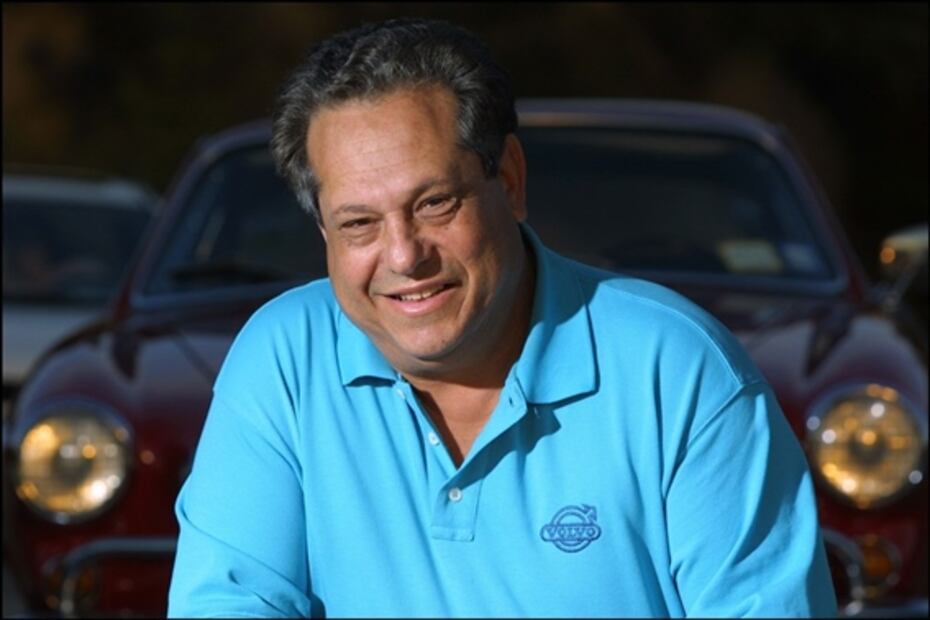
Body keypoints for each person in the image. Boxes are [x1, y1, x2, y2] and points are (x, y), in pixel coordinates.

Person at [168, 17, 837, 617]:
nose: (404, 256)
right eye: (359, 223)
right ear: (324, 232)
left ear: (509, 180)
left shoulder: (680, 372)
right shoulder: (281, 360)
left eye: (434, 203)